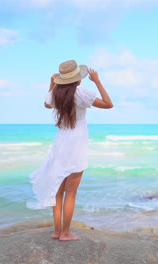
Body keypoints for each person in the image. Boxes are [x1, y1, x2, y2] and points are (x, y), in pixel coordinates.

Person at [27, 59, 113, 241]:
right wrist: (97, 81)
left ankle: (57, 231)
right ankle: (65, 233)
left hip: (61, 141)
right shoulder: (81, 92)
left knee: (58, 190)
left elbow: (46, 104)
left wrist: (52, 83)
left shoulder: (56, 93)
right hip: (76, 143)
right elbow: (108, 104)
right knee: (71, 191)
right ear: (78, 78)